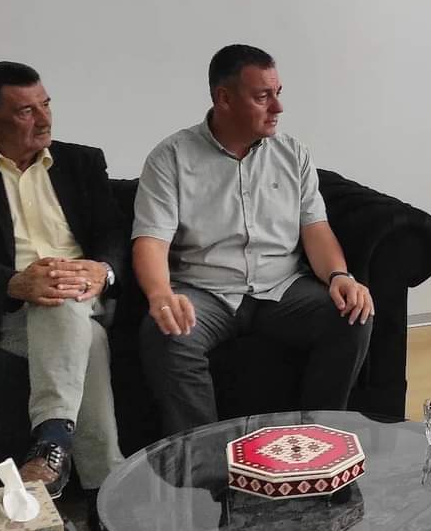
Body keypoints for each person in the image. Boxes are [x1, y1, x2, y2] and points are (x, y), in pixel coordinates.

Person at [0, 61, 126, 531]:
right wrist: (16, 282)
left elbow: (114, 233)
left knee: (63, 298)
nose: (43, 119)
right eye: (24, 111)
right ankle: (104, 491)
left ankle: (51, 443)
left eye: (46, 104)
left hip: (86, 297)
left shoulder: (82, 161)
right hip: (13, 309)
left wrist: (101, 270)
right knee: (83, 335)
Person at [133, 44, 374, 435]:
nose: (277, 107)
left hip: (283, 288)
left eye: (278, 93)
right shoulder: (171, 157)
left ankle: (316, 439)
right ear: (224, 98)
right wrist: (161, 294)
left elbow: (315, 228)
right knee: (167, 334)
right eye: (263, 97)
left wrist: (339, 276)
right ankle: (201, 454)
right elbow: (151, 240)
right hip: (205, 291)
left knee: (352, 315)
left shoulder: (293, 153)